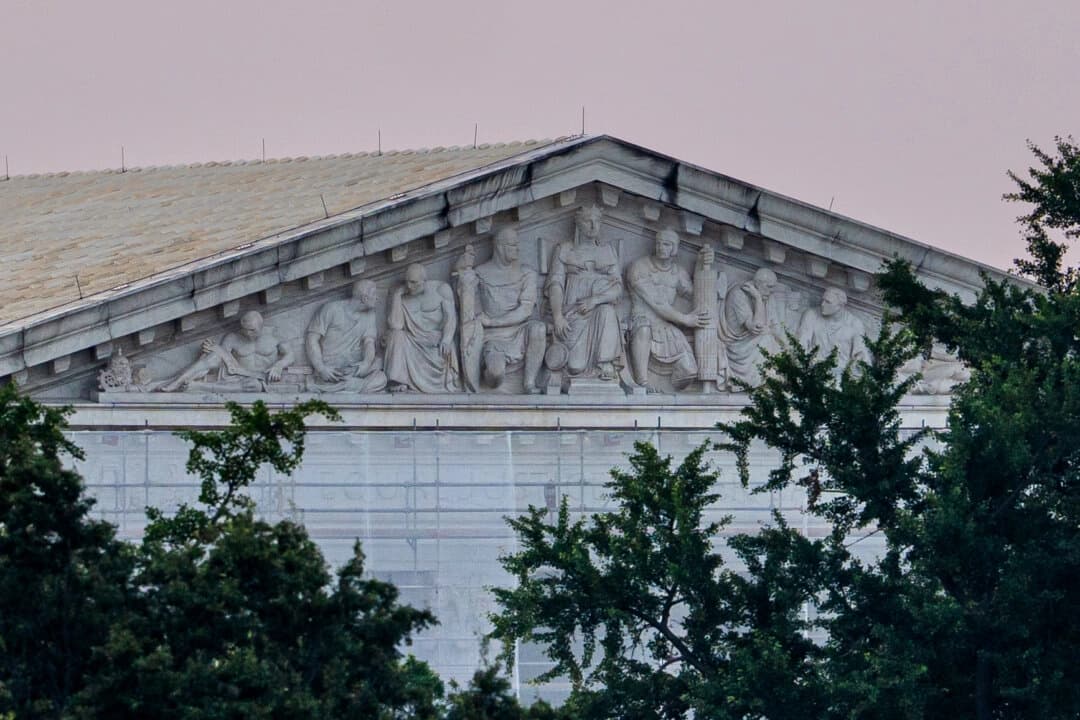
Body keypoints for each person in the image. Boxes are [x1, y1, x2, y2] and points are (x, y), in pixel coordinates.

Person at [545, 205, 624, 381]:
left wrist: (595, 300)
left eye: (597, 221)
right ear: (578, 223)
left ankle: (605, 362)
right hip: (572, 312)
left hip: (598, 310)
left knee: (607, 311)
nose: (593, 225)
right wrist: (558, 316)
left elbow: (618, 289)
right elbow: (555, 284)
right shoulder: (565, 249)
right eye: (588, 221)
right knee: (575, 366)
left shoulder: (608, 251)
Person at [625, 228, 709, 390]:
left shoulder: (678, 272)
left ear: (675, 249)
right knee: (643, 328)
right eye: (659, 243)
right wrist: (685, 319)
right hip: (641, 320)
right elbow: (656, 302)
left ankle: (670, 398)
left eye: (667, 244)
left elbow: (695, 295)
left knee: (690, 371)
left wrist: (702, 265)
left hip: (666, 325)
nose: (661, 247)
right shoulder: (639, 267)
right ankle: (641, 382)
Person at [469, 227, 546, 393]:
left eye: (517, 244)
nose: (517, 249)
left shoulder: (527, 273)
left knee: (538, 329)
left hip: (520, 331)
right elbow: (471, 310)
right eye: (512, 245)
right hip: (492, 338)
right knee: (495, 376)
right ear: (499, 247)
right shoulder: (480, 273)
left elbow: (525, 310)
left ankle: (529, 383)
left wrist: (493, 321)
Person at [160, 310, 294, 392]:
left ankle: (196, 387)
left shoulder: (274, 335)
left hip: (259, 379)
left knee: (254, 386)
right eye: (245, 329)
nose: (248, 334)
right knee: (215, 355)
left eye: (252, 330)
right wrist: (209, 349)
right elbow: (218, 359)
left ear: (261, 325)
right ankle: (178, 382)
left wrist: (279, 366)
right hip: (236, 375)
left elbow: (290, 355)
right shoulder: (233, 337)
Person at [384, 263, 461, 393]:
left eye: (414, 282)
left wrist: (447, 339)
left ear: (424, 281)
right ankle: (398, 380)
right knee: (396, 335)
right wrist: (397, 296)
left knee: (445, 347)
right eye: (407, 282)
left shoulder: (441, 289)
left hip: (436, 341)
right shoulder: (403, 297)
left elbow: (451, 318)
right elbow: (396, 325)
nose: (409, 286)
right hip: (413, 342)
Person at [304, 279, 387, 393]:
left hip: (353, 370)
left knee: (381, 377)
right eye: (374, 294)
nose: (377, 297)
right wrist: (321, 368)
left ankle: (346, 387)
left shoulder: (370, 315)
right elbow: (312, 338)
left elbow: (369, 342)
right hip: (332, 371)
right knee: (372, 382)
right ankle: (343, 387)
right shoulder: (331, 309)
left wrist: (366, 363)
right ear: (364, 298)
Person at [721, 267, 781, 388]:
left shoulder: (768, 297)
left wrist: (789, 347)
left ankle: (772, 383)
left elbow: (776, 327)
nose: (771, 291)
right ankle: (762, 383)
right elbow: (756, 327)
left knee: (776, 344)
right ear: (757, 283)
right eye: (768, 287)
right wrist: (758, 298)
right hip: (737, 346)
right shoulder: (738, 294)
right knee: (767, 339)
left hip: (751, 343)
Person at [797, 287, 869, 377]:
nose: (822, 304)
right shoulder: (812, 315)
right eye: (823, 300)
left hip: (840, 374)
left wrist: (857, 362)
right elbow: (801, 344)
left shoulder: (855, 324)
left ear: (840, 306)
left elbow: (861, 354)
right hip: (813, 369)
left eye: (828, 302)